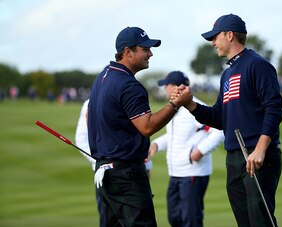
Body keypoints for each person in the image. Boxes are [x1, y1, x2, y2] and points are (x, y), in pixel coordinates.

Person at [176, 14, 282, 226]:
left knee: (260, 221)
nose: (212, 42)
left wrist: (261, 148)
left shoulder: (257, 65)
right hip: (234, 157)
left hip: (257, 155)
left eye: (215, 37)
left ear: (230, 35)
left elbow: (274, 108)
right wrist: (190, 104)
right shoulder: (227, 74)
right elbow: (219, 117)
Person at [87, 26, 192, 227]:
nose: (150, 53)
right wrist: (175, 104)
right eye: (145, 49)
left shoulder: (103, 77)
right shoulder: (128, 85)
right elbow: (147, 127)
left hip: (105, 172)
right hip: (125, 174)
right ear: (128, 52)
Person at [148, 71, 224, 227]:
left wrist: (199, 151)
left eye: (166, 86)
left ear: (175, 87)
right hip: (176, 173)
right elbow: (175, 136)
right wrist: (156, 144)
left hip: (193, 173)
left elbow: (219, 130)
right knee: (175, 218)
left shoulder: (194, 107)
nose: (165, 90)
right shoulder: (174, 107)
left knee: (191, 220)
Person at [75, 99, 154, 227]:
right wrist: (102, 160)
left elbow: (138, 134)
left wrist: (147, 167)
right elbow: (81, 138)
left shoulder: (130, 97)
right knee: (110, 222)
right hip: (105, 175)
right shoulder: (90, 103)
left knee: (138, 221)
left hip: (133, 172)